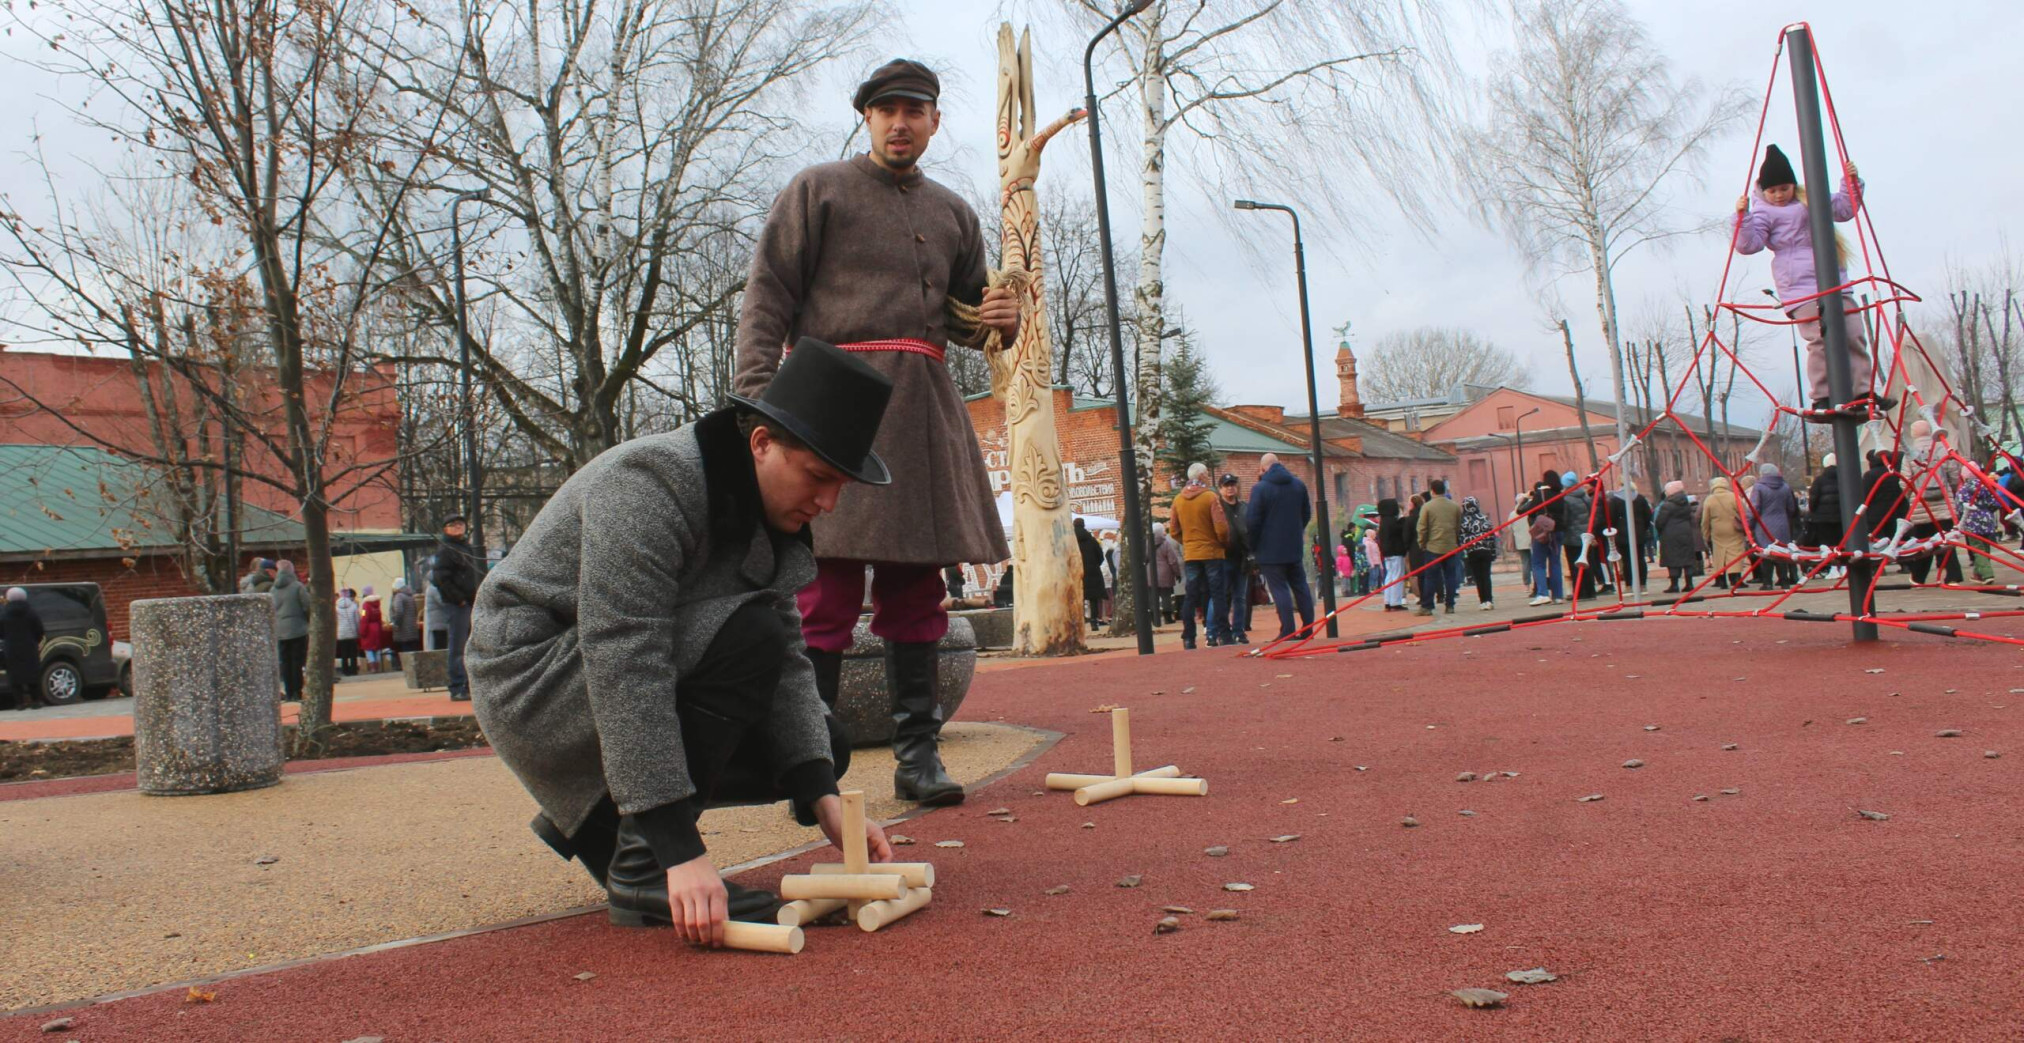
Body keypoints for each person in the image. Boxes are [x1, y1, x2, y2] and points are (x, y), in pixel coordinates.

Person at [469, 338, 896, 946]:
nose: (827, 503)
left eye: (841, 487)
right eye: (819, 477)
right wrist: (677, 848)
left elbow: (791, 665)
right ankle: (642, 861)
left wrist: (822, 797)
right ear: (761, 443)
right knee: (749, 635)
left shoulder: (766, 514)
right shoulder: (646, 485)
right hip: (532, 676)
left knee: (819, 745)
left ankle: (607, 833)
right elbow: (624, 654)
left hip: (609, 669)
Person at [732, 59, 1017, 807]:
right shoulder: (817, 189)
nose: (900, 121)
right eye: (886, 108)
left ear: (934, 121)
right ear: (866, 117)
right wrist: (758, 405)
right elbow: (768, 295)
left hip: (923, 409)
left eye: (915, 109)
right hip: (829, 405)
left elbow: (969, 316)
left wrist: (1001, 323)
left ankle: (917, 758)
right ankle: (810, 765)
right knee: (822, 591)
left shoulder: (956, 211)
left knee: (916, 588)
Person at [1732, 146, 1890, 417]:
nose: (1779, 195)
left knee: (1854, 331)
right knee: (1820, 336)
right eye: (1773, 191)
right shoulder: (1763, 213)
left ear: (1793, 185)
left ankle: (1862, 391)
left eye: (1784, 188)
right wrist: (1742, 217)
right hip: (1798, 285)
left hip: (1832, 276)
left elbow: (1844, 209)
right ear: (1764, 191)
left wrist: (1850, 182)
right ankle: (1823, 395)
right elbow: (1749, 245)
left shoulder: (1810, 199)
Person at [1245, 453, 1317, 640]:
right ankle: (1308, 628)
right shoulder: (1298, 485)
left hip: (1269, 549)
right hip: (1293, 546)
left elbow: (1252, 521)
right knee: (1300, 586)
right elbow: (1306, 513)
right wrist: (1296, 530)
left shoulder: (1260, 489)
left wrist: (1252, 546)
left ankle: (1288, 630)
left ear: (1262, 469)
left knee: (1279, 589)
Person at [1170, 462, 1230, 649]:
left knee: (1191, 595)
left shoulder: (1178, 500)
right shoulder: (1210, 497)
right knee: (1217, 594)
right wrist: (1221, 542)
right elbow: (1221, 527)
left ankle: (1188, 636)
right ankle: (1224, 634)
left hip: (1191, 553)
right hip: (1212, 552)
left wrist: (1187, 541)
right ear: (1203, 475)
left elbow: (1173, 530)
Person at [432, 516, 482, 701]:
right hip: (458, 604)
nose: (458, 527)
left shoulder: (466, 548)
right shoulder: (447, 550)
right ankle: (458, 685)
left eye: (461, 524)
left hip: (469, 602)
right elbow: (440, 578)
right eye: (453, 525)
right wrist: (458, 599)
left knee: (471, 645)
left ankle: (469, 685)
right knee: (458, 646)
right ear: (445, 529)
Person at [1747, 463, 1802, 588]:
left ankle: (1767, 582)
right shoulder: (1785, 487)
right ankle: (1784, 580)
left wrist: (1749, 523)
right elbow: (1791, 508)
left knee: (1766, 552)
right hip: (1782, 523)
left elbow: (1754, 508)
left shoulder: (1759, 487)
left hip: (1764, 524)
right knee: (1781, 551)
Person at [1414, 480, 1463, 616]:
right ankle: (1450, 605)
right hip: (1451, 546)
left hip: (1433, 546)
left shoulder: (1427, 507)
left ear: (1432, 491)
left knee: (1430, 577)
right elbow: (1458, 526)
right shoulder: (1454, 506)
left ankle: (1427, 606)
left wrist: (1422, 543)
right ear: (1445, 490)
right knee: (1450, 577)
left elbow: (1422, 528)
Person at [1218, 473, 1253, 644]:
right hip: (1224, 557)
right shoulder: (1218, 508)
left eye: (1232, 484)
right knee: (1224, 595)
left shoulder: (1244, 507)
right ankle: (1223, 631)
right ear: (1221, 489)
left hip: (1242, 558)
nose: (1230, 488)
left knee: (1240, 597)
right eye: (1226, 485)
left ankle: (1239, 631)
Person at [271, 560, 311, 702]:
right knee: (297, 662)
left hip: (280, 631)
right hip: (297, 628)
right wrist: (308, 620)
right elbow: (307, 605)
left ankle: (288, 692)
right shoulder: (297, 587)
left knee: (285, 662)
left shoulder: (273, 589)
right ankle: (297, 691)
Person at [1955, 464, 2001, 583]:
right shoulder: (1986, 487)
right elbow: (1995, 503)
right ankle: (1978, 574)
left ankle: (1987, 574)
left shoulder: (1963, 490)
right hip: (1987, 521)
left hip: (1971, 522)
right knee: (1985, 548)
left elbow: (1960, 507)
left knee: (1977, 549)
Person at [1701, 477, 1749, 589]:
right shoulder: (1734, 496)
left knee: (1719, 554)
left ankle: (1722, 580)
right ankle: (1736, 579)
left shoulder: (1710, 499)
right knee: (1735, 553)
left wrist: (1706, 534)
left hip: (1717, 530)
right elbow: (1744, 512)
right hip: (1733, 529)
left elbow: (1705, 520)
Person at [1652, 481, 1700, 592]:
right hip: (1686, 532)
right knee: (1687, 557)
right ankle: (1689, 583)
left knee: (1672, 559)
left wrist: (1659, 531)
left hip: (1670, 534)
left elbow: (1660, 522)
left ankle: (1674, 585)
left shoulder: (1667, 505)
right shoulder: (1685, 503)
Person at [3, 587, 46, 711]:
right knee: (32, 674)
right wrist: (35, 640)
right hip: (29, 647)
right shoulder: (31, 613)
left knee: (14, 676)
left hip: (11, 648)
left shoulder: (4, 613)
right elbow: (39, 630)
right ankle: (36, 701)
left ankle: (20, 703)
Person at [1559, 472, 1598, 599]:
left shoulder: (1566, 499)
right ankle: (1591, 591)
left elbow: (1565, 519)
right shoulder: (1584, 496)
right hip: (1586, 535)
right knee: (1588, 564)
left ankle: (1580, 592)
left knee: (1575, 565)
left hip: (1572, 537)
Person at [1458, 496, 1498, 610]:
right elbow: (1491, 537)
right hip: (1486, 551)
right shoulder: (1484, 518)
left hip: (1473, 552)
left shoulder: (1464, 521)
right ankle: (1489, 600)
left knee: (1478, 577)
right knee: (1486, 576)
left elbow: (1462, 538)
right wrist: (1493, 552)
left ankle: (1483, 601)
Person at [1525, 490, 1564, 606]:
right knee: (1555, 563)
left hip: (1543, 533)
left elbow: (1528, 511)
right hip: (1558, 531)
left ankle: (1543, 593)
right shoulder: (1560, 495)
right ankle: (1558, 596)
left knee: (1538, 564)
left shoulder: (1540, 495)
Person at [1376, 498, 1408, 611]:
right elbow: (1400, 528)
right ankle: (1395, 602)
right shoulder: (1391, 521)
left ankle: (1388, 601)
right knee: (1397, 577)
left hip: (1387, 552)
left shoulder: (1383, 521)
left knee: (1389, 576)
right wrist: (1403, 518)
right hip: (1396, 551)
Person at [1075, 517, 1107, 629]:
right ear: (1084, 525)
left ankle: (1080, 621)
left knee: (1078, 598)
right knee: (1094, 599)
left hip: (1076, 573)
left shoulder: (1071, 541)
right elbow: (1101, 556)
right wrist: (1094, 564)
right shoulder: (1092, 540)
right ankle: (1094, 621)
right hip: (1093, 572)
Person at [1151, 523, 1183, 626]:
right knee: (1166, 596)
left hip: (1149, 573)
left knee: (1152, 596)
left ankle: (1153, 617)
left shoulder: (1146, 543)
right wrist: (1177, 573)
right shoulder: (1165, 543)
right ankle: (1168, 617)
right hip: (1165, 572)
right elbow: (1172, 560)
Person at [388, 577, 419, 670]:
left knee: (405, 650)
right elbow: (415, 611)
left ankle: (407, 668)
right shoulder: (410, 596)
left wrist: (396, 623)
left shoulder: (399, 596)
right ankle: (414, 668)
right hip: (412, 628)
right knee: (412, 650)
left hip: (403, 629)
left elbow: (399, 611)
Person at [359, 586, 388, 672]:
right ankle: (377, 666)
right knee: (377, 648)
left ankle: (372, 667)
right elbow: (379, 617)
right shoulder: (377, 604)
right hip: (377, 628)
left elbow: (364, 618)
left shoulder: (365, 605)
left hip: (369, 629)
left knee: (369, 649)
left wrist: (362, 631)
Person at [334, 587, 361, 676]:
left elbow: (335, 621)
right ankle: (353, 670)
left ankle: (345, 670)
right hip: (352, 632)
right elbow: (357, 620)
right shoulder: (353, 606)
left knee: (344, 653)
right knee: (353, 653)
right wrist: (358, 631)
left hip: (341, 633)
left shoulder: (336, 607)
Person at [423, 555, 448, 651]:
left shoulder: (431, 589)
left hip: (437, 622)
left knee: (439, 644)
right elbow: (443, 602)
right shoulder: (434, 589)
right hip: (438, 623)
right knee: (440, 646)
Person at [1507, 494, 1532, 587]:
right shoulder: (1530, 510)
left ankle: (1527, 584)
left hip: (1520, 541)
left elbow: (1510, 528)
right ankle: (1536, 584)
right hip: (1531, 539)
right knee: (1535, 562)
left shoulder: (1513, 514)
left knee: (1525, 562)